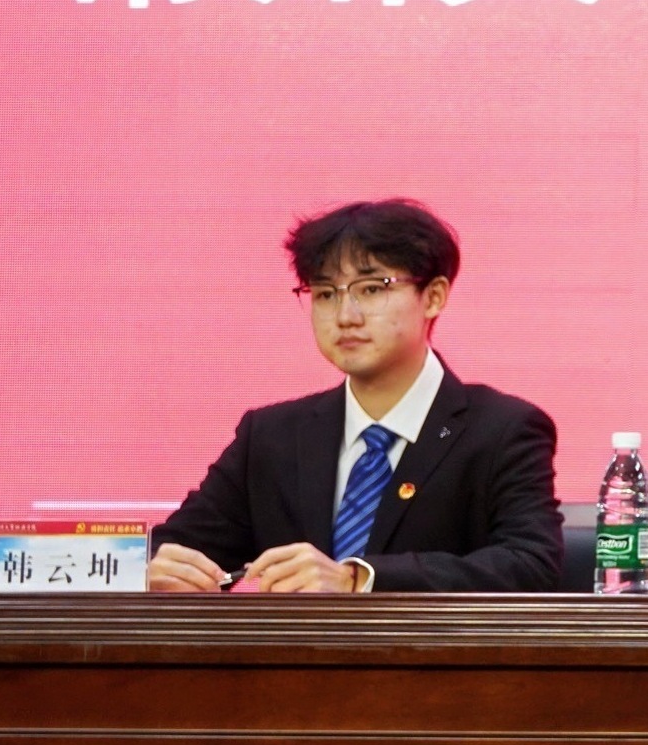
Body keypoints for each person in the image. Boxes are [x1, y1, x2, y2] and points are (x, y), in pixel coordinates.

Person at [150, 198, 567, 595]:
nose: (345, 316)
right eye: (326, 294)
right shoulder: (270, 436)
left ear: (434, 296)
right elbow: (176, 549)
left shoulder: (502, 431)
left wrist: (358, 579)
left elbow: (530, 564)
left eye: (371, 289)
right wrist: (163, 570)